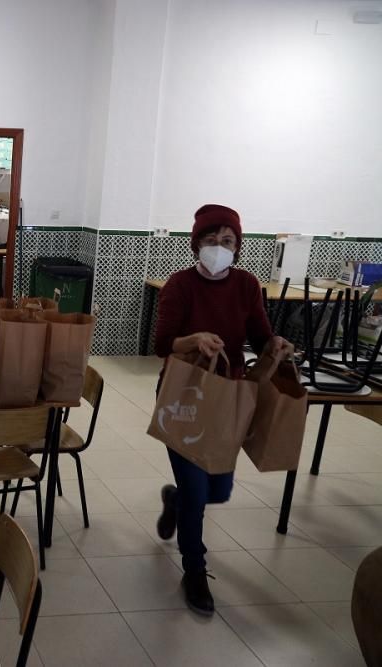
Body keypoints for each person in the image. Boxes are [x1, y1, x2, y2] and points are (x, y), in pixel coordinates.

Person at [153, 204, 293, 616]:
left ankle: (174, 501)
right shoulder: (179, 286)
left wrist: (276, 345)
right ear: (197, 244)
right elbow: (163, 344)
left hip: (228, 398)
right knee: (199, 491)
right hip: (184, 396)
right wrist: (192, 339)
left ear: (239, 247)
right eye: (211, 241)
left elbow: (260, 335)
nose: (219, 248)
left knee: (218, 490)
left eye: (228, 241)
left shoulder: (247, 285)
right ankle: (194, 568)